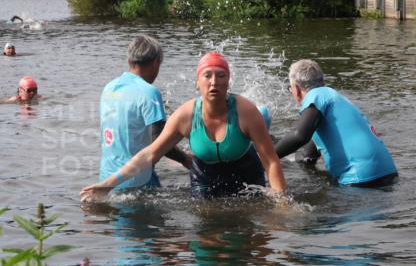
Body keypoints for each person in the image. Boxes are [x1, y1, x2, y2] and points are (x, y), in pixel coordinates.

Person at [81, 51, 287, 201]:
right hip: (205, 175)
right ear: (198, 83)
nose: (214, 82)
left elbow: (271, 162)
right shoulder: (185, 115)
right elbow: (149, 154)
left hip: (246, 170)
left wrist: (281, 202)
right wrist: (108, 184)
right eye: (207, 76)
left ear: (228, 81)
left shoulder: (246, 111)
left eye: (221, 75)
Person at [275, 59, 398, 187]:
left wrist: (266, 157)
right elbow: (309, 153)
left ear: (296, 88)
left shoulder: (315, 96)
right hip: (388, 173)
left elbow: (299, 136)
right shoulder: (334, 98)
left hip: (360, 178)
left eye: (290, 88)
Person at [93, 36, 192, 192]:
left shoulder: (109, 88)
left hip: (106, 180)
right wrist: (186, 160)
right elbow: (159, 141)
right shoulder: (149, 92)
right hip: (138, 182)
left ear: (129, 61)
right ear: (156, 63)